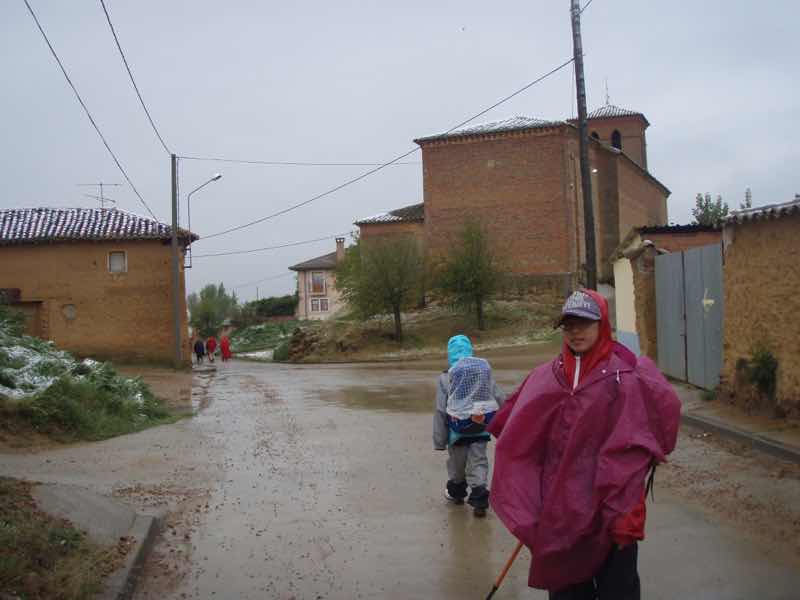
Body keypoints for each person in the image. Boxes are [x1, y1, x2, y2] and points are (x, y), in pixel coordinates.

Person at [487, 290, 681, 599]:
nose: (576, 332)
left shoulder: (628, 375)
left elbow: (661, 419)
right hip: (562, 512)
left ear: (602, 324)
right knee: (567, 590)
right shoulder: (547, 377)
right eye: (569, 325)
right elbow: (516, 427)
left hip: (614, 510)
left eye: (584, 323)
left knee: (617, 590)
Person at [433, 334, 505, 518]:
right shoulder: (482, 372)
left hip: (456, 432)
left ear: (450, 355)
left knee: (458, 465)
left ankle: (457, 493)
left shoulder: (445, 377)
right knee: (479, 461)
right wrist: (506, 419)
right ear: (470, 351)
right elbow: (499, 396)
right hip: (480, 427)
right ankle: (479, 498)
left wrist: (439, 440)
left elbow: (441, 410)